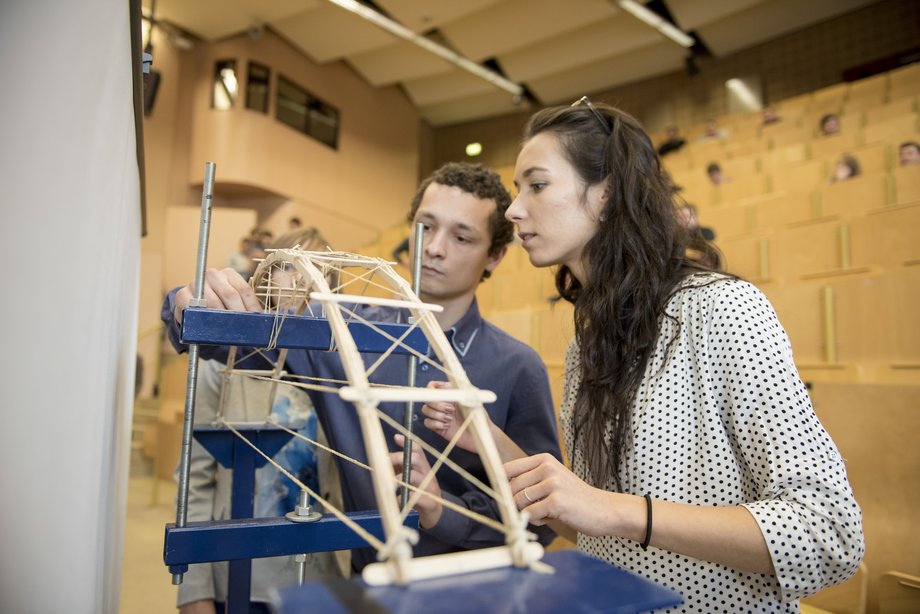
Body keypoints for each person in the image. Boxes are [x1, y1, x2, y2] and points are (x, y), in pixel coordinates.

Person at [423, 100, 864, 611]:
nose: (514, 209)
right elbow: (588, 524)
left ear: (606, 192)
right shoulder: (586, 347)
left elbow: (828, 532)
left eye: (537, 185)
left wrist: (612, 511)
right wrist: (486, 437)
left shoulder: (722, 309)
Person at [162, 162, 561, 573]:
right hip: (368, 585)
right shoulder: (339, 329)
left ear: (495, 256)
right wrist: (191, 302)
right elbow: (216, 341)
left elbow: (543, 522)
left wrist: (445, 511)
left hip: (481, 592)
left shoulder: (518, 367)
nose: (435, 248)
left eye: (462, 237)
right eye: (425, 226)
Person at [178, 228, 341, 614]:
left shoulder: (339, 368)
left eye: (319, 269)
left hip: (322, 577)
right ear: (266, 275)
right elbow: (193, 481)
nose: (302, 278)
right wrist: (193, 591)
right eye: (289, 266)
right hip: (240, 574)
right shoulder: (222, 362)